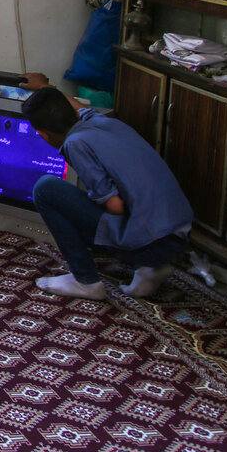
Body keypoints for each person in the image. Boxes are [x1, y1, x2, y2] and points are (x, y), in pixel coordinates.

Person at [18, 72, 193, 300]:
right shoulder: (100, 121)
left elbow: (115, 205)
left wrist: (84, 205)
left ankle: (85, 280)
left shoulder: (75, 144)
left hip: (154, 244)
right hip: (179, 234)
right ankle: (149, 269)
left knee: (46, 188)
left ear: (42, 134)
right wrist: (44, 86)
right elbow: (77, 105)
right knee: (93, 201)